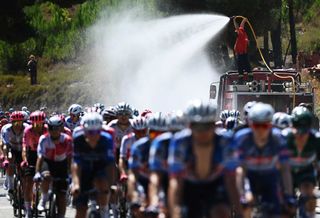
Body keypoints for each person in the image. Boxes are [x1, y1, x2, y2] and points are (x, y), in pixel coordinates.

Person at [168, 101, 242, 218]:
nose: (202, 132)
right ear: (189, 126)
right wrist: (174, 211)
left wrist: (239, 212)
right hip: (189, 184)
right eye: (197, 127)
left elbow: (231, 179)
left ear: (214, 125)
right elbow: (176, 181)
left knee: (221, 212)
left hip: (216, 184)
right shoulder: (180, 142)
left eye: (207, 126)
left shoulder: (225, 142)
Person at [232, 103, 294, 217]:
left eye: (264, 126)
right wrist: (242, 194)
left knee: (280, 211)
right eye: (256, 126)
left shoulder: (278, 139)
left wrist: (289, 195)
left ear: (270, 125)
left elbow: (285, 169)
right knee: (245, 206)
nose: (260, 130)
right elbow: (240, 170)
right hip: (249, 177)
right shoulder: (241, 138)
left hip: (270, 178)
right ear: (250, 125)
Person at [72, 112, 115, 218]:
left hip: (100, 168)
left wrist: (112, 184)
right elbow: (76, 164)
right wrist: (76, 184)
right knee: (81, 210)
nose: (93, 135)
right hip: (84, 170)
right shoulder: (78, 139)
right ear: (84, 130)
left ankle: (104, 210)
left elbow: (110, 165)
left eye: (97, 132)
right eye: (89, 132)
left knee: (103, 184)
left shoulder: (107, 139)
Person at [127, 113, 168, 217]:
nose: (158, 139)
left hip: (165, 182)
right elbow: (132, 176)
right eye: (154, 134)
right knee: (141, 210)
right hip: (143, 182)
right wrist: (134, 197)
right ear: (148, 132)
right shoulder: (139, 147)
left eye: (162, 135)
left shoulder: (173, 147)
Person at [283, 106, 320, 217]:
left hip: (305, 170)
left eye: (304, 132)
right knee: (287, 205)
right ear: (291, 127)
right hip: (287, 171)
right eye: (297, 132)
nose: (300, 136)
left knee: (309, 196)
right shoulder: (283, 139)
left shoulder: (316, 140)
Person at [148, 111, 186, 216]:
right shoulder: (161, 143)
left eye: (180, 132)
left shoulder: (192, 142)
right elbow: (155, 176)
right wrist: (154, 200)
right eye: (173, 132)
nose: (177, 137)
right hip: (167, 181)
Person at [33, 115, 72, 217]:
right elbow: (40, 157)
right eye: (51, 128)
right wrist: (37, 172)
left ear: (61, 128)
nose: (53, 131)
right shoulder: (44, 139)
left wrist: (71, 173)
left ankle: (61, 215)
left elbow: (70, 158)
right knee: (46, 176)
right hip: (48, 162)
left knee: (62, 195)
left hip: (62, 164)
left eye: (56, 128)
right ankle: (44, 199)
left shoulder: (67, 139)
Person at [21, 111, 47, 217]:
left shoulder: (47, 130)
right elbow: (24, 148)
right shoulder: (28, 130)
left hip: (46, 154)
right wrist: (25, 160)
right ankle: (27, 209)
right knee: (28, 182)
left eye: (40, 124)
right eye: (35, 124)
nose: (37, 126)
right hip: (32, 154)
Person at [1, 111, 29, 199]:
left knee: (25, 172)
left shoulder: (27, 128)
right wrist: (5, 158)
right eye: (15, 122)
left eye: (20, 122)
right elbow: (4, 145)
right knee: (10, 160)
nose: (17, 124)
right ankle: (11, 188)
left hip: (24, 150)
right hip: (12, 149)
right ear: (11, 122)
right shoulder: (7, 130)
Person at [233, 17, 252, 84]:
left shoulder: (240, 33)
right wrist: (244, 20)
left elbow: (237, 27)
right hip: (242, 53)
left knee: (241, 66)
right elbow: (241, 26)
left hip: (242, 54)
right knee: (246, 65)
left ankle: (243, 78)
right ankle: (249, 76)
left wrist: (234, 20)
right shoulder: (243, 32)